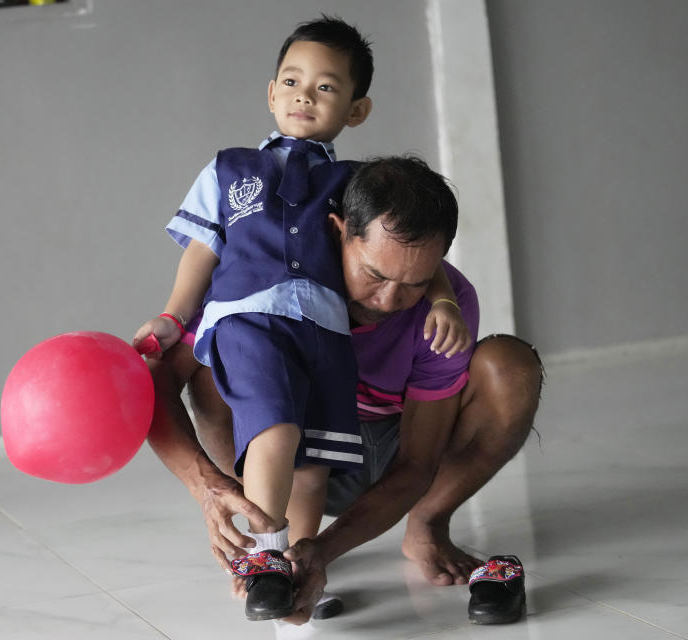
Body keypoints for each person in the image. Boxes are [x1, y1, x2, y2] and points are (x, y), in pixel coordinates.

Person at [131, 17, 468, 621]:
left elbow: (414, 246)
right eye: (292, 81)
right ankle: (263, 558)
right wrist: (171, 317)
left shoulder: (353, 184)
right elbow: (201, 253)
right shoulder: (229, 169)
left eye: (327, 87)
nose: (304, 95)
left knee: (312, 462)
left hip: (323, 333)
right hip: (251, 322)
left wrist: (441, 297)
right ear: (271, 93)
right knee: (278, 434)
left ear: (357, 110)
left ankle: (297, 569)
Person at [142, 155, 544, 625]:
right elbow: (159, 380)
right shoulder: (265, 277)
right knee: (219, 359)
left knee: (510, 366)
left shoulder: (449, 304)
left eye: (415, 284)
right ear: (339, 232)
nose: (389, 301)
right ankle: (266, 533)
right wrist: (206, 487)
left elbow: (416, 465)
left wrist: (323, 552)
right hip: (293, 457)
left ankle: (427, 524)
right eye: (374, 275)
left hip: (394, 455)